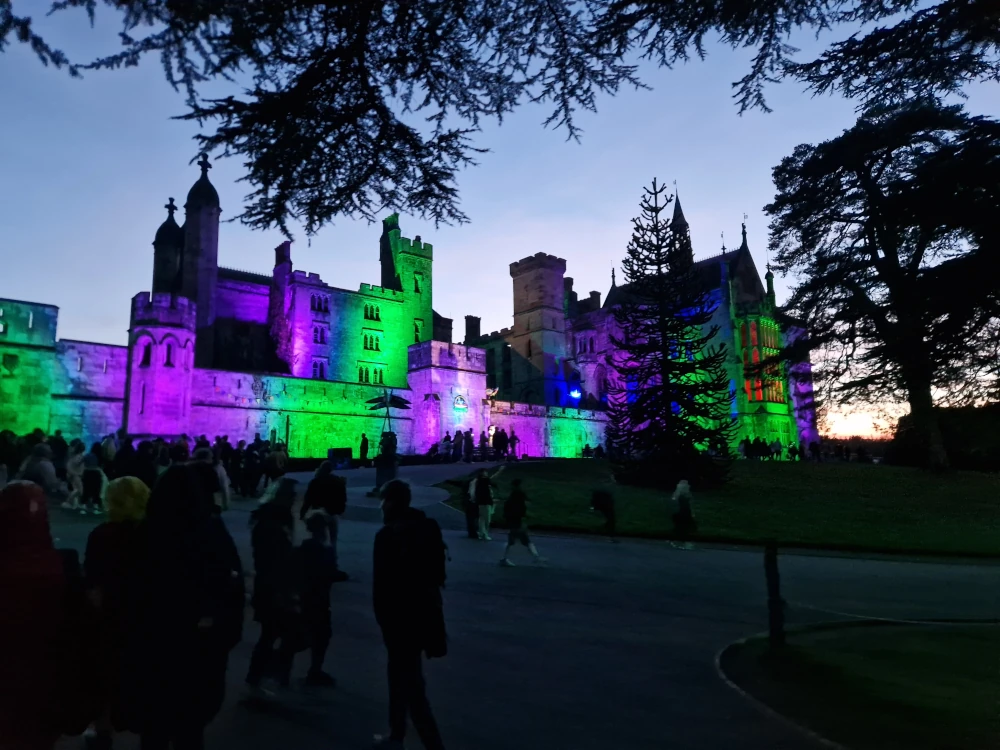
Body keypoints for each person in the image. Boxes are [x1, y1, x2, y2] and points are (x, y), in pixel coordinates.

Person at [116, 464, 245, 750]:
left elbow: (129, 594)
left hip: (153, 649)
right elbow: (230, 586)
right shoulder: (210, 533)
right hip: (198, 651)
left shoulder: (145, 534)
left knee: (154, 730)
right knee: (190, 730)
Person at [372, 479, 447, 750]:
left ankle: (432, 744)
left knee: (411, 685)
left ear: (390, 502)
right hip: (425, 613)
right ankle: (396, 734)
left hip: (399, 619)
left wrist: (384, 620)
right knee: (401, 678)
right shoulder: (428, 528)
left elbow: (382, 587)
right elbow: (438, 574)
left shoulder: (388, 535)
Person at [83, 476, 150, 750]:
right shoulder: (151, 534)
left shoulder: (102, 535)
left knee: (105, 673)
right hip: (144, 612)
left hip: (112, 613)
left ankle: (103, 729)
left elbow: (94, 583)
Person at [246, 477, 302, 693]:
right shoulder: (272, 523)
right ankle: (266, 675)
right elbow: (271, 558)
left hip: (272, 585)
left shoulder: (271, 518)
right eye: (292, 495)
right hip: (274, 587)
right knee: (277, 632)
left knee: (273, 633)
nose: (294, 499)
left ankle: (264, 675)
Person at [296, 514, 339, 687]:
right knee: (319, 634)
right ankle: (314, 670)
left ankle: (311, 670)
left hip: (309, 595)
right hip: (317, 597)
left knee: (313, 634)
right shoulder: (322, 549)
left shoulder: (306, 547)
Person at [300, 463, 349, 581]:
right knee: (332, 541)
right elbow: (343, 498)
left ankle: (317, 564)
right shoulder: (337, 481)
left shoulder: (315, 481)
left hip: (318, 514)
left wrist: (303, 513)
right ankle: (332, 565)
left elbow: (308, 498)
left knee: (318, 539)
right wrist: (340, 510)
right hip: (332, 513)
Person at [499, 479, 544, 566]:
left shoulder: (512, 496)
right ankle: (536, 556)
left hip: (513, 520)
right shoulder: (519, 495)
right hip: (516, 521)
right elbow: (523, 505)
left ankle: (536, 556)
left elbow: (508, 507)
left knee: (516, 540)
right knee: (522, 540)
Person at [472, 467, 498, 541]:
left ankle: (481, 533)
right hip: (485, 502)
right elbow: (492, 479)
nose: (486, 473)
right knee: (487, 519)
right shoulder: (484, 480)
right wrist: (499, 471)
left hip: (480, 502)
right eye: (485, 472)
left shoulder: (479, 481)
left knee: (482, 519)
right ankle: (484, 534)